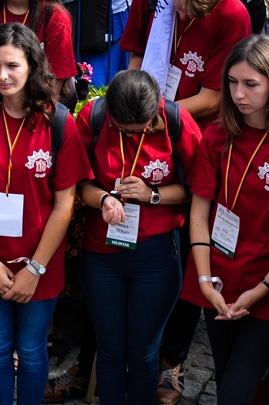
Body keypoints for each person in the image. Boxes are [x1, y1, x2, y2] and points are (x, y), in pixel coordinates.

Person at [171, 35, 269, 405]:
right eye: (232, 82)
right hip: (216, 280)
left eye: (250, 84)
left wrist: (262, 288)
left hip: (268, 287)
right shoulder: (217, 135)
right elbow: (199, 212)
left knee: (234, 392)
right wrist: (204, 281)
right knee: (226, 373)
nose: (238, 93)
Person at [0, 22, 81, 405]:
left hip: (39, 262)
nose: (2, 76)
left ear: (32, 65)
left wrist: (35, 270)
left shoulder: (58, 121)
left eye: (12, 65)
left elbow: (65, 203)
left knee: (30, 351)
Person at [72, 68, 199, 405]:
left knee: (144, 353)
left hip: (156, 255)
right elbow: (76, 181)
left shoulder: (176, 121)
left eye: (137, 131)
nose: (129, 135)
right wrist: (103, 198)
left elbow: (197, 190)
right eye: (121, 130)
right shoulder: (94, 117)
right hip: (101, 254)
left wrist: (152, 194)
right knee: (111, 350)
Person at [122, 0, 250, 123]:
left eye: (194, 15)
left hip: (193, 126)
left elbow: (212, 98)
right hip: (145, 115)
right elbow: (137, 53)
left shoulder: (234, 16)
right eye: (181, 8)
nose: (182, 17)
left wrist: (154, 112)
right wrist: (133, 101)